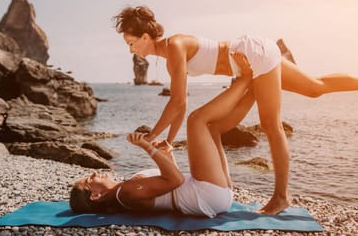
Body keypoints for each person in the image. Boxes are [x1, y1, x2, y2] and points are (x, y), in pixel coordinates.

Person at [111, 5, 358, 215]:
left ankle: (281, 197)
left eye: (131, 42)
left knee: (271, 125)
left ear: (145, 36)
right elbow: (180, 103)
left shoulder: (173, 46)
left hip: (252, 57)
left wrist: (152, 138)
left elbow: (178, 102)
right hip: (253, 53)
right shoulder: (171, 49)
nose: (131, 49)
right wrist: (168, 140)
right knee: (315, 87)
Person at [70, 53, 253, 217]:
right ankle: (244, 80)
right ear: (95, 195)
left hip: (215, 195)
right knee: (196, 120)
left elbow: (173, 185)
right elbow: (177, 180)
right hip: (206, 195)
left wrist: (167, 155)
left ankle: (253, 91)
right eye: (88, 180)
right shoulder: (126, 192)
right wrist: (147, 147)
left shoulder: (124, 191)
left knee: (214, 130)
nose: (93, 173)